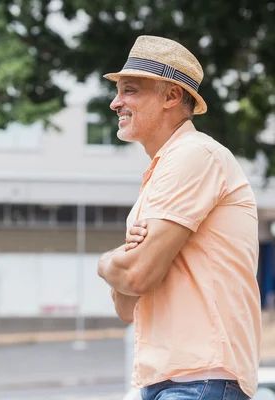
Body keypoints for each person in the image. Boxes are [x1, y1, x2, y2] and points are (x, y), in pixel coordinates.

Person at [97, 36, 261, 400]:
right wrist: (126, 270)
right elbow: (125, 306)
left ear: (172, 96)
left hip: (201, 379)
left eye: (131, 90)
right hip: (169, 382)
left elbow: (135, 276)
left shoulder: (195, 155)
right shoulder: (160, 176)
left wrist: (106, 261)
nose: (115, 102)